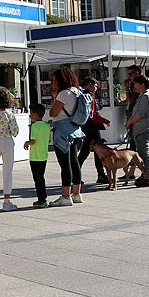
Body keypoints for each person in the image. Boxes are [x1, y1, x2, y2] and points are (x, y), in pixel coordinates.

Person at [48, 66, 86, 207]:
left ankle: (65, 196)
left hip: (63, 132)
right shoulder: (77, 91)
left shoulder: (64, 94)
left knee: (65, 165)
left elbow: (53, 113)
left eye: (54, 79)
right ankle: (76, 194)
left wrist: (54, 98)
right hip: (76, 130)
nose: (53, 82)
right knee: (74, 162)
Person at [74, 76, 109, 185]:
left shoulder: (83, 95)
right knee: (97, 151)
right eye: (94, 86)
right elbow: (92, 114)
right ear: (88, 85)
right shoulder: (88, 96)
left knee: (84, 152)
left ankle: (76, 175)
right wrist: (104, 120)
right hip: (92, 127)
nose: (96, 88)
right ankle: (100, 174)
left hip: (86, 127)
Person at [125, 75, 149, 187]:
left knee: (144, 153)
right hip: (139, 129)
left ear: (142, 84)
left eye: (135, 83)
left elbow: (140, 115)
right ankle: (145, 174)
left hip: (144, 128)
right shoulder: (141, 96)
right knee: (141, 154)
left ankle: (148, 176)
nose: (133, 86)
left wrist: (129, 122)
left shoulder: (146, 97)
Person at [24, 103, 51, 208]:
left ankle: (42, 200)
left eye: (31, 113)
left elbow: (33, 141)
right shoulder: (46, 125)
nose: (30, 115)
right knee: (41, 178)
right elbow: (48, 139)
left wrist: (26, 143)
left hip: (35, 157)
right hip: (44, 155)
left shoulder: (34, 126)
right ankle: (43, 198)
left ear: (35, 115)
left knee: (37, 179)